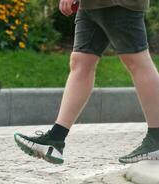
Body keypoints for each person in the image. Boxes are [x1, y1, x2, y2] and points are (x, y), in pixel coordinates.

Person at [14, 0, 159, 164]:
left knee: (136, 61)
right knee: (81, 62)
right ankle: (55, 139)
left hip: (118, 4)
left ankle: (157, 138)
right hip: (91, 5)